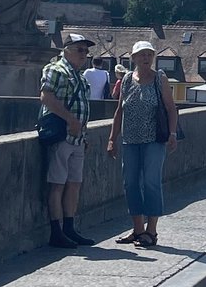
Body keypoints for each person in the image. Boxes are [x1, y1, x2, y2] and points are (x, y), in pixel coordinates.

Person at [107, 40, 181, 248]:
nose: (146, 58)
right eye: (142, 55)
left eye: (149, 54)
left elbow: (170, 108)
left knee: (151, 182)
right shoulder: (128, 79)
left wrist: (172, 133)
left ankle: (152, 231)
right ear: (134, 58)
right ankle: (138, 229)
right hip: (130, 140)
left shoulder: (159, 78)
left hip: (153, 140)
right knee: (130, 183)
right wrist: (113, 138)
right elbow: (119, 110)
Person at [39, 34, 96, 249]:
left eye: (86, 51)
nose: (85, 54)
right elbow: (46, 97)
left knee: (73, 184)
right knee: (57, 184)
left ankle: (69, 228)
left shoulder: (80, 76)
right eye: (80, 50)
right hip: (61, 135)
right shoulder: (55, 70)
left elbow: (83, 108)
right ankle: (56, 231)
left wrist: (84, 134)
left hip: (77, 138)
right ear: (67, 50)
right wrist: (70, 120)